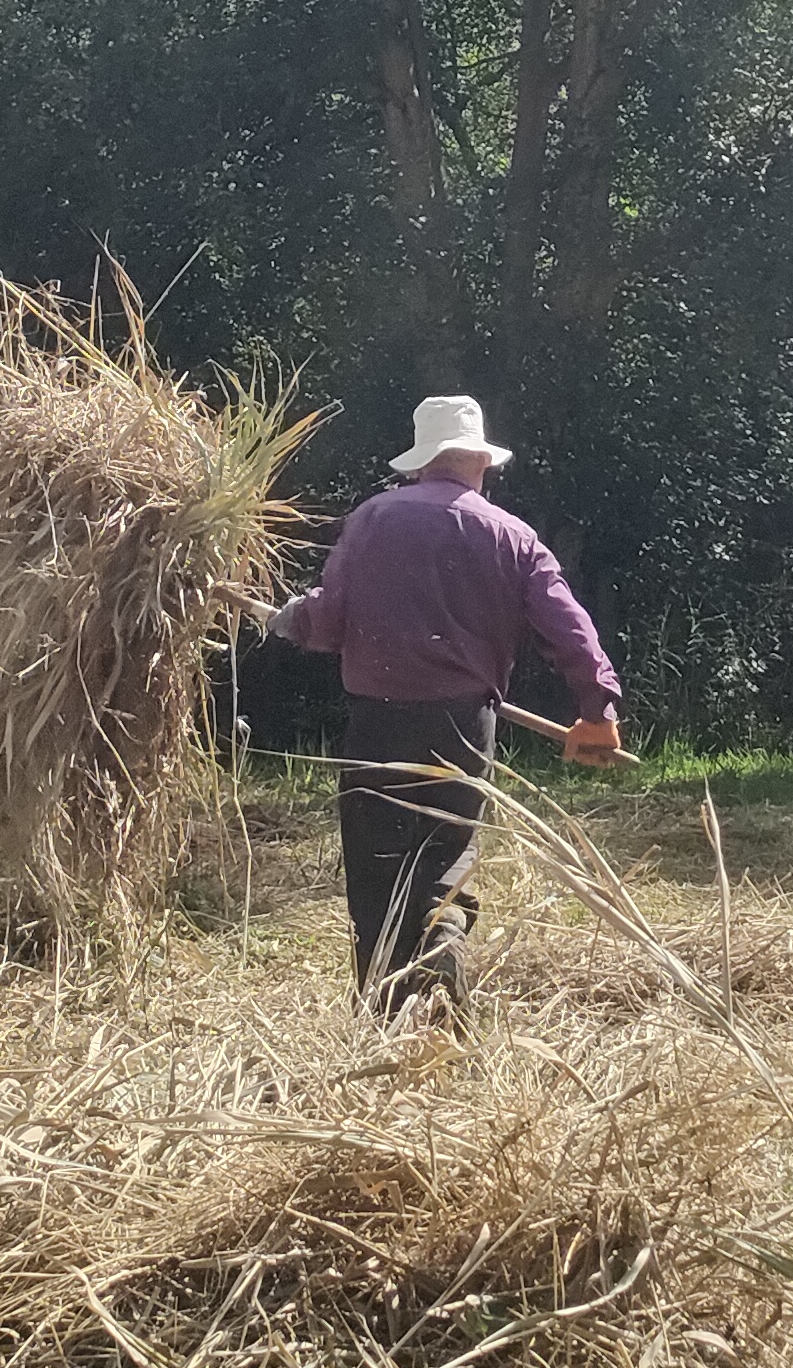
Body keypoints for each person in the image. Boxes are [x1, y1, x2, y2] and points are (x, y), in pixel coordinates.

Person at [267, 393, 624, 1022]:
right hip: (464, 722)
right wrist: (598, 708)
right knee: (447, 851)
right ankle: (444, 942)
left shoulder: (374, 518)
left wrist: (288, 618)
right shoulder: (513, 536)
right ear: (479, 462)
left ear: (421, 461)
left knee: (377, 862)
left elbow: (325, 621)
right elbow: (570, 627)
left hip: (377, 717)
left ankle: (384, 1011)